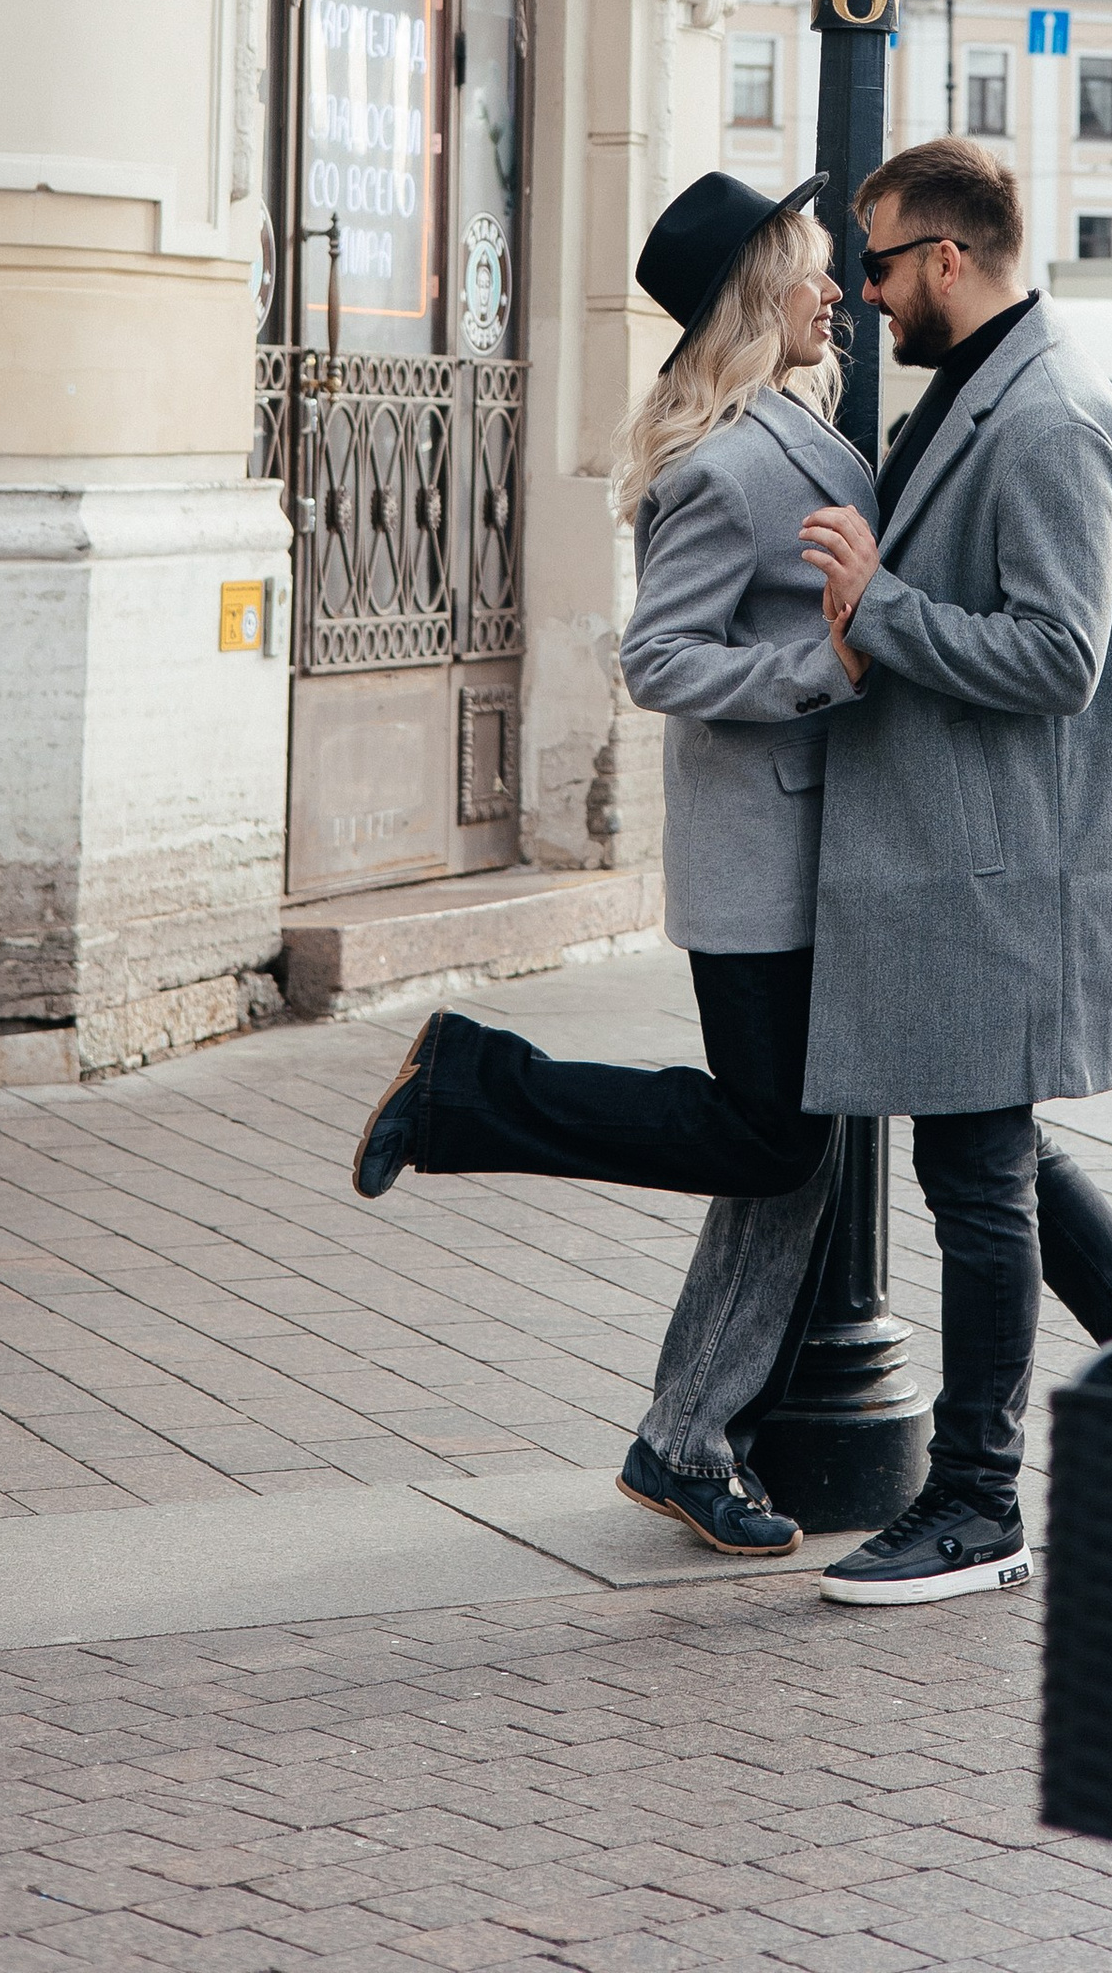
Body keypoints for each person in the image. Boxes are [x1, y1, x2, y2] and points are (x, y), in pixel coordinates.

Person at [350, 167, 872, 1558]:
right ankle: (470, 1083)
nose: (839, 287)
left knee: (797, 1158)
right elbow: (661, 660)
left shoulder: (801, 431)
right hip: (762, 864)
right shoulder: (725, 466)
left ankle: (687, 1441)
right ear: (758, 296)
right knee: (769, 1139)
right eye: (814, 268)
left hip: (817, 858)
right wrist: (827, 662)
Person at [797, 135, 1112, 1608]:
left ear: (945, 259)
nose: (861, 296)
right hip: (974, 867)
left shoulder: (1047, 417)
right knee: (998, 1154)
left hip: (1009, 873)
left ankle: (979, 1500)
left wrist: (882, 605)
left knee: (978, 1177)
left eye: (876, 264)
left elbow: (1059, 657)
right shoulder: (978, 393)